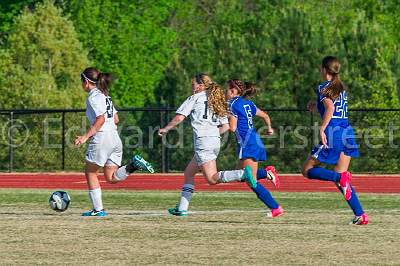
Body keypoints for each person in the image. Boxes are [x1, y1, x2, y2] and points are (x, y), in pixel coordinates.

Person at [158, 73, 255, 216]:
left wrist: (165, 129)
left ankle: (242, 173)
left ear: (201, 85)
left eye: (194, 84)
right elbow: (226, 126)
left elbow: (179, 117)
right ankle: (182, 208)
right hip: (214, 141)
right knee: (189, 173)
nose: (192, 86)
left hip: (203, 142)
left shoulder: (195, 98)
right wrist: (212, 134)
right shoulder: (215, 100)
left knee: (211, 179)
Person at [75, 67, 154, 217]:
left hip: (103, 137)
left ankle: (98, 210)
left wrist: (85, 137)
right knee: (111, 177)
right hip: (114, 138)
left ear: (86, 82)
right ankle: (133, 165)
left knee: (90, 172)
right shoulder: (106, 96)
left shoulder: (93, 97)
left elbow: (101, 119)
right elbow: (116, 119)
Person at [302, 56, 368, 225]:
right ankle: (360, 215)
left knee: (307, 169)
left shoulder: (323, 86)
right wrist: (316, 107)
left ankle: (340, 179)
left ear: (324, 69)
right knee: (341, 176)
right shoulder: (341, 87)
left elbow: (330, 108)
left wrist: (322, 128)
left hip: (334, 132)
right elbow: (333, 108)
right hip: (347, 131)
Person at [226, 79, 283, 218]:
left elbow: (232, 127)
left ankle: (275, 207)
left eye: (227, 89)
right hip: (255, 140)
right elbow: (265, 115)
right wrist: (269, 128)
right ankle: (267, 172)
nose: (225, 92)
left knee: (250, 180)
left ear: (233, 91)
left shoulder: (232, 104)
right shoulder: (248, 103)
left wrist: (222, 120)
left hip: (248, 143)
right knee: (240, 175)